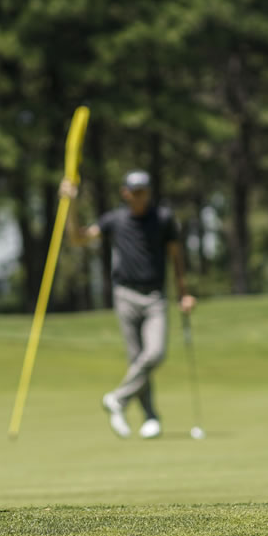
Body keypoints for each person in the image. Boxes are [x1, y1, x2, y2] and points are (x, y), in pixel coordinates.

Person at [62, 170, 196, 439]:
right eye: (135, 191)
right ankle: (150, 418)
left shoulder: (163, 219)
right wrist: (70, 204)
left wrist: (184, 292)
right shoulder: (115, 220)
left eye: (144, 191)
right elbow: (77, 238)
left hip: (155, 295)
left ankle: (118, 399)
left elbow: (176, 256)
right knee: (137, 359)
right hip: (125, 295)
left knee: (155, 353)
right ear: (125, 193)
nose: (140, 196)